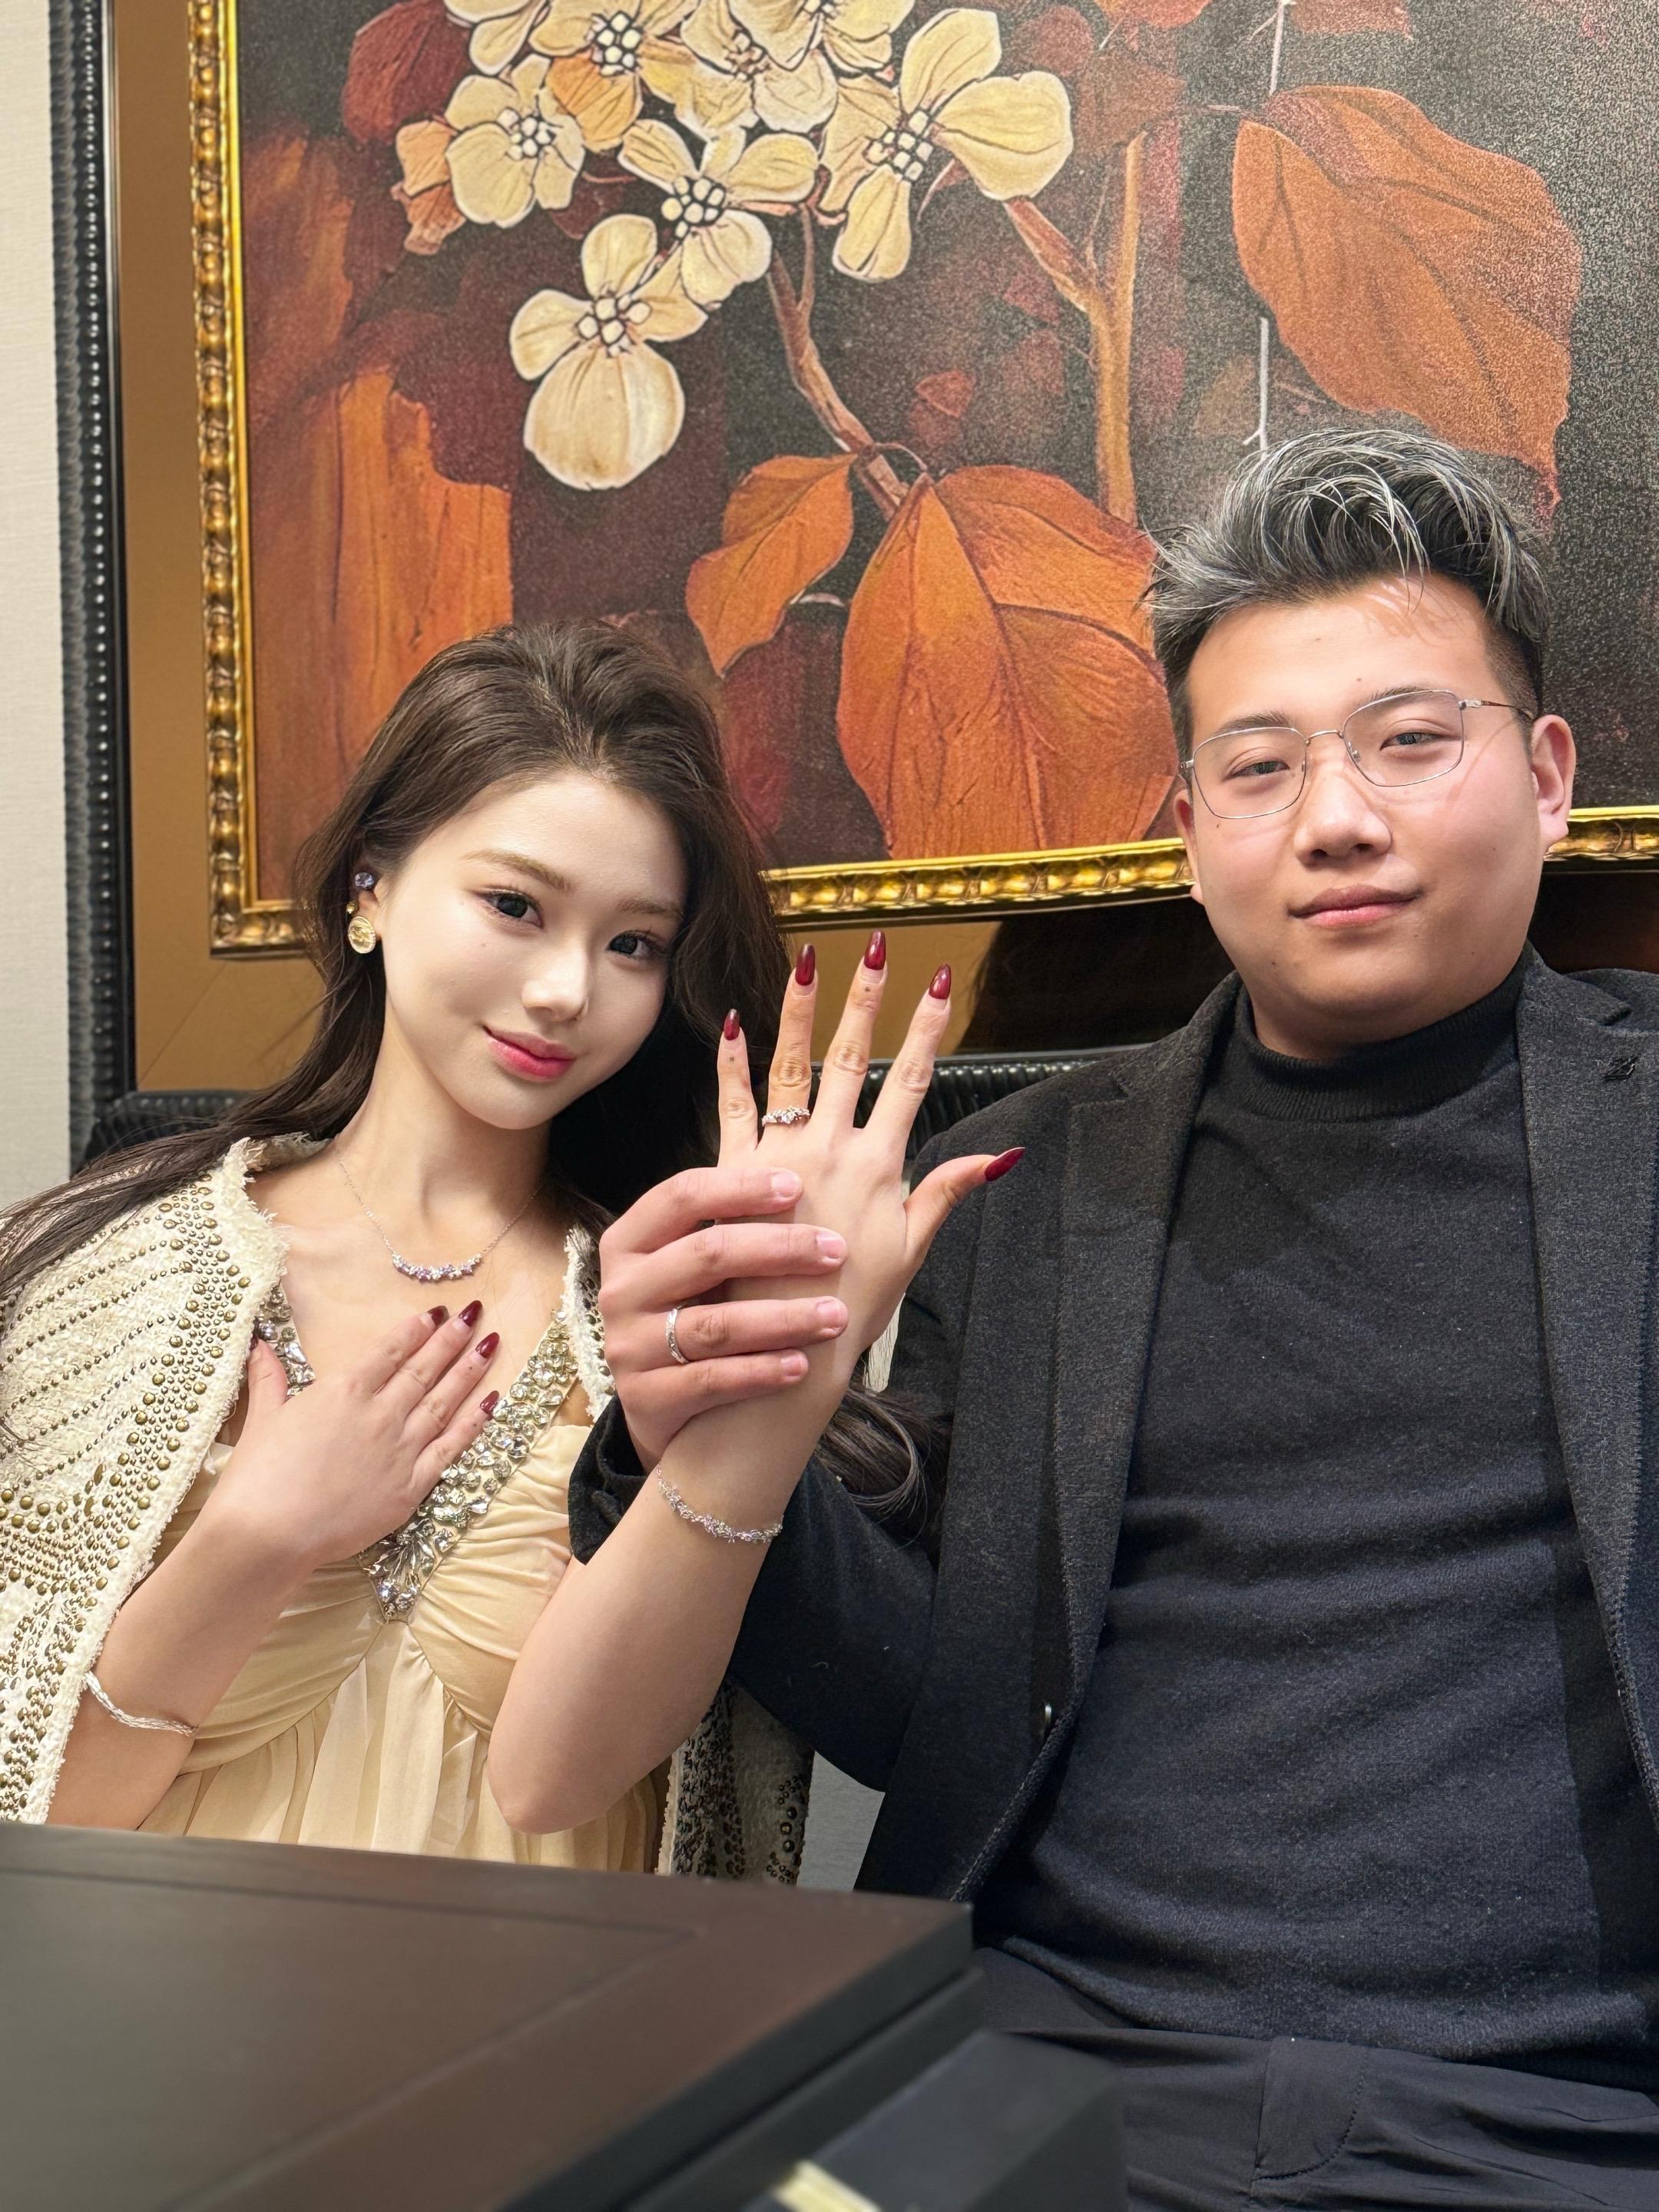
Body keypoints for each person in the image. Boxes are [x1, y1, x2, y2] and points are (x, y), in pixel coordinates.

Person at [553, 431, 1659, 2205]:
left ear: (1545, 780)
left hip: (1572, 2125)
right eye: (1261, 766)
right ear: (1194, 829)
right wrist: (721, 1418)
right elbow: (933, 1713)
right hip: (1038, 2080)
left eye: (1408, 741)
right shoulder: (1021, 1193)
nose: (1338, 818)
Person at [0, 619, 825, 1869]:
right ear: (369, 889)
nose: (566, 989)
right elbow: (32, 1822)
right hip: (171, 1991)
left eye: (633, 944)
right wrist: (254, 1540)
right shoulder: (103, 1277)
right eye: (514, 905)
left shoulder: (681, 1319)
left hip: (563, 1997)